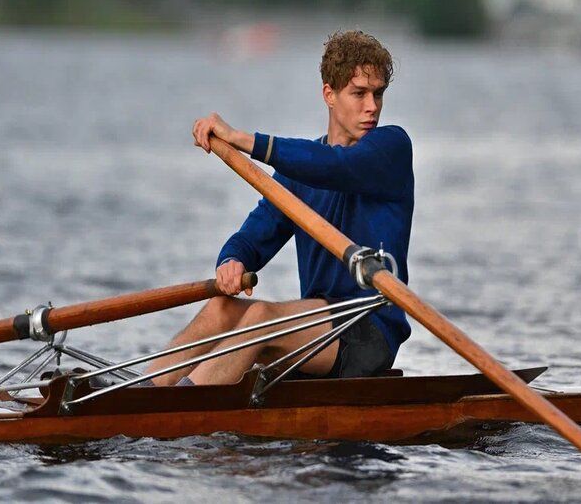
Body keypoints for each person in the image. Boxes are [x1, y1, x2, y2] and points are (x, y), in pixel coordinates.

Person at [147, 30, 413, 386]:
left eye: (378, 94)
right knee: (221, 307)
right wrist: (232, 262)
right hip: (318, 326)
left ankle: (176, 414)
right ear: (329, 95)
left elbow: (335, 167)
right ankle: (141, 393)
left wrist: (242, 139)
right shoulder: (300, 172)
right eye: (359, 93)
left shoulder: (391, 149)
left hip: (370, 328)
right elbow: (252, 239)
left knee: (260, 317)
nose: (372, 107)